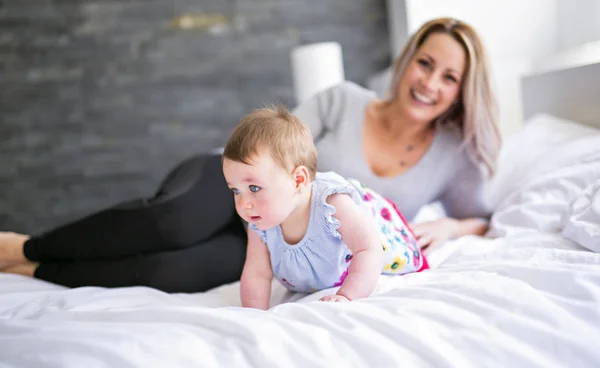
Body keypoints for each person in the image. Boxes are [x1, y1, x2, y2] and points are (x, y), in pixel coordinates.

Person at [0, 17, 501, 293]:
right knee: (172, 223)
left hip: (275, 242)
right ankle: (27, 247)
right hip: (232, 188)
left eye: (449, 76)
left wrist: (452, 228)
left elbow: (481, 215)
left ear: (462, 91)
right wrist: (246, 192)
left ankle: (36, 273)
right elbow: (269, 148)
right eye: (425, 63)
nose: (430, 82)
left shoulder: (453, 155)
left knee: (169, 274)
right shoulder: (343, 100)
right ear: (407, 60)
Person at [222, 106, 428, 309]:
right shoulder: (260, 223)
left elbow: (369, 248)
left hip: (371, 239)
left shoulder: (331, 204)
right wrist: (253, 315)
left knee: (381, 244)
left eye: (254, 187)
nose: (243, 204)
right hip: (316, 277)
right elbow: (257, 273)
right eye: (235, 190)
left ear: (298, 180)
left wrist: (348, 296)